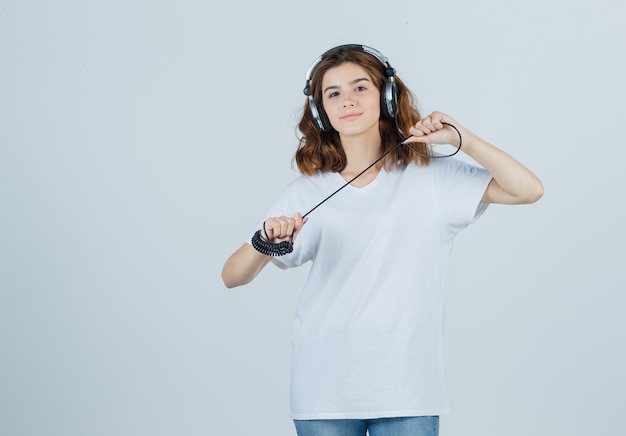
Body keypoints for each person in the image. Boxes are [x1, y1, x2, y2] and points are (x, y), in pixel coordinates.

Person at [221, 44, 543, 436]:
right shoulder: (306, 190)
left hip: (408, 389)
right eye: (333, 93)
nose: (348, 101)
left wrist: (463, 138)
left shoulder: (433, 177)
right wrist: (266, 239)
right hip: (324, 391)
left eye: (360, 88)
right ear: (321, 109)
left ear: (386, 96)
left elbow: (528, 190)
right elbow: (232, 276)